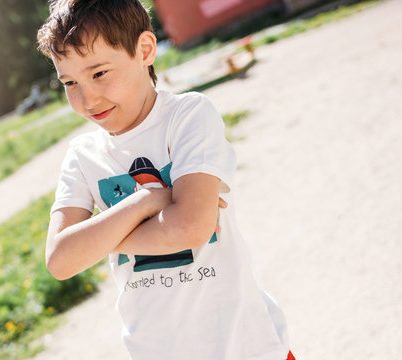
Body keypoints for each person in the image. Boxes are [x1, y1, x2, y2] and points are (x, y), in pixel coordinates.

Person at [37, 0, 294, 359]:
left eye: (98, 74)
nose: (87, 98)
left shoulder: (188, 116)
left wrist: (97, 240)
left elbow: (190, 228)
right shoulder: (82, 156)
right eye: (69, 82)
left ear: (145, 50)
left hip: (246, 345)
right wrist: (146, 201)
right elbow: (61, 261)